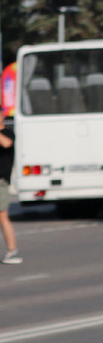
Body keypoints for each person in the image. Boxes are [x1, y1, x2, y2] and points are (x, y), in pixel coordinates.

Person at [0, 112, 21, 265]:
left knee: (2, 214)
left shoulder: (7, 133)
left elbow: (6, 143)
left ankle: (12, 250)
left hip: (1, 182)